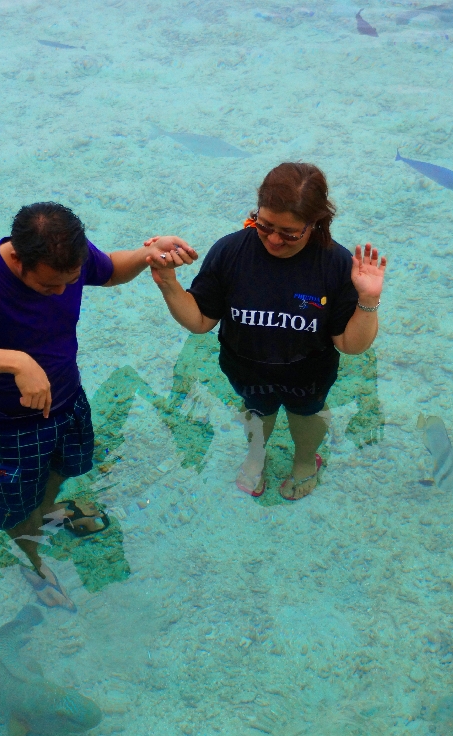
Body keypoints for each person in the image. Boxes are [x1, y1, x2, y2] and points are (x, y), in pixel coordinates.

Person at [0, 203, 197, 609]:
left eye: (71, 281)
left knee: (64, 469)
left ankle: (48, 511)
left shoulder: (66, 254)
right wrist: (16, 361)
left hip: (67, 400)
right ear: (19, 259)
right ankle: (32, 560)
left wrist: (145, 253)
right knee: (14, 509)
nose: (61, 293)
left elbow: (112, 269)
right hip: (8, 427)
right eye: (48, 287)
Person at [147, 162, 386, 501]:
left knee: (307, 413)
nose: (274, 239)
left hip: (310, 372)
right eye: (265, 226)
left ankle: (305, 460)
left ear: (315, 223)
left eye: (289, 233)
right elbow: (200, 321)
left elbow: (350, 345)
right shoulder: (230, 252)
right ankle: (256, 455)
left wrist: (368, 299)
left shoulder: (334, 263)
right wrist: (169, 284)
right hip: (244, 367)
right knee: (257, 411)